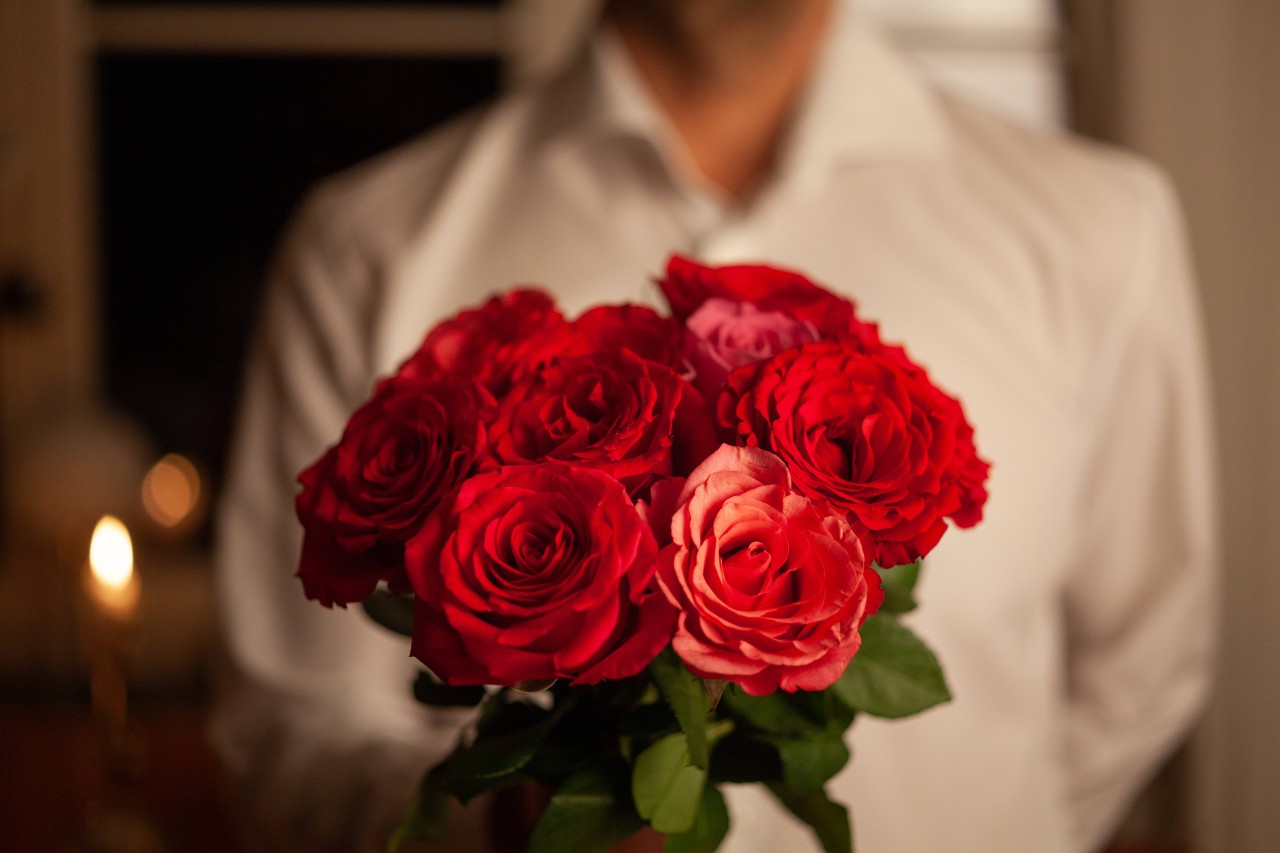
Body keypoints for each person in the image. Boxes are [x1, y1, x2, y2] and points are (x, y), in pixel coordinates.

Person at [213, 1, 1218, 851]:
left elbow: (1139, 671)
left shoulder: (1099, 228)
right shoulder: (368, 242)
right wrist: (510, 820)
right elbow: (286, 732)